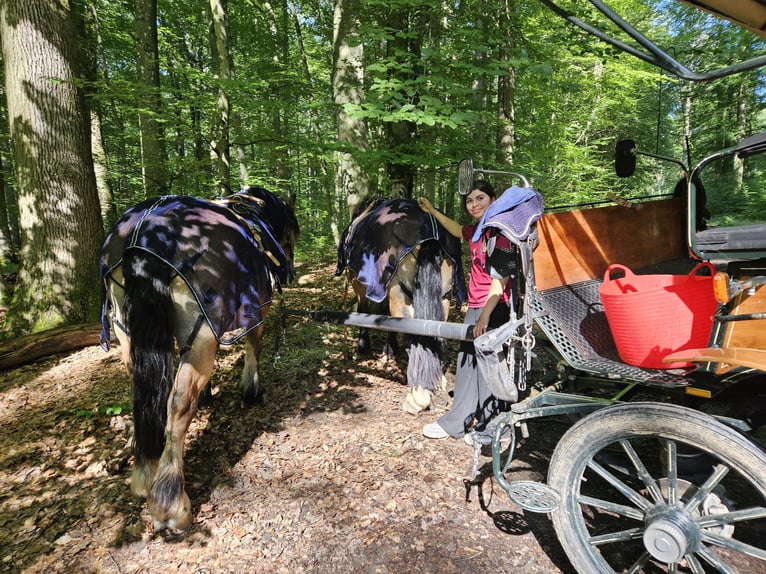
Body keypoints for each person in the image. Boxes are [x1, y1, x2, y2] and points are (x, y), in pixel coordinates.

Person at [417, 181, 514, 442]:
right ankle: (473, 423)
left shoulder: (502, 233)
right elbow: (459, 230)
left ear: (493, 199)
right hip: (477, 304)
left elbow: (501, 278)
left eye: (480, 198)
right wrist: (433, 212)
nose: (474, 204)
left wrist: (484, 315)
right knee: (470, 361)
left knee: (484, 364)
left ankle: (491, 427)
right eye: (470, 201)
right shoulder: (478, 230)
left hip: (495, 306)